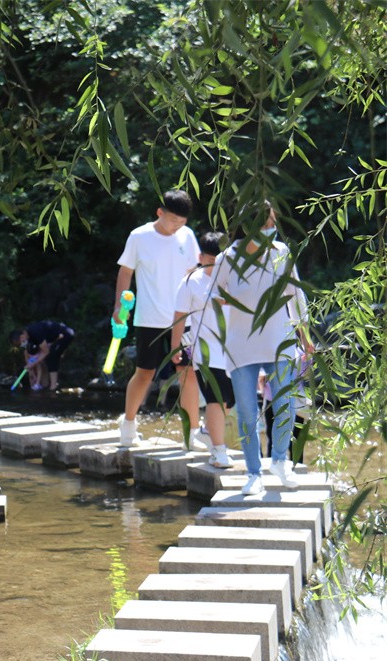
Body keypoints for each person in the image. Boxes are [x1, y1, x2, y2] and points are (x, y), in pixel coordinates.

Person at [213, 201, 310, 495]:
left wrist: (305, 336)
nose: (271, 229)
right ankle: (253, 473)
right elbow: (214, 296)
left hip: (279, 342)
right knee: (246, 412)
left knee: (285, 404)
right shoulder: (227, 258)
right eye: (266, 224)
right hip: (241, 347)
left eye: (272, 224)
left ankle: (280, 461)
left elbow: (296, 295)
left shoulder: (281, 252)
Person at [114, 189, 201, 445]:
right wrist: (119, 308)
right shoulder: (139, 236)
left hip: (183, 320)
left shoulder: (187, 236)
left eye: (182, 222)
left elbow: (195, 273)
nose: (177, 226)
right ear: (160, 212)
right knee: (145, 373)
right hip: (149, 318)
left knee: (187, 373)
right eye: (173, 220)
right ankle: (128, 425)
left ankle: (192, 433)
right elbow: (125, 272)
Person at [171, 231, 234, 468]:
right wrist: (175, 346)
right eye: (211, 260)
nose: (216, 265)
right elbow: (179, 315)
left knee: (229, 400)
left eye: (221, 260)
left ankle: (208, 432)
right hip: (205, 352)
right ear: (201, 257)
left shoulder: (235, 280)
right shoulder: (191, 281)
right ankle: (219, 451)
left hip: (234, 352)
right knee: (215, 399)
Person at [11, 320, 74, 392]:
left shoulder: (35, 332)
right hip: (57, 338)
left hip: (66, 334)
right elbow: (39, 351)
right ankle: (50, 385)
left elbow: (46, 352)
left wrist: (32, 364)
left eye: (20, 343)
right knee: (49, 357)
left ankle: (53, 387)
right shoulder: (30, 337)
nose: (21, 345)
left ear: (22, 336)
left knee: (51, 356)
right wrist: (31, 364)